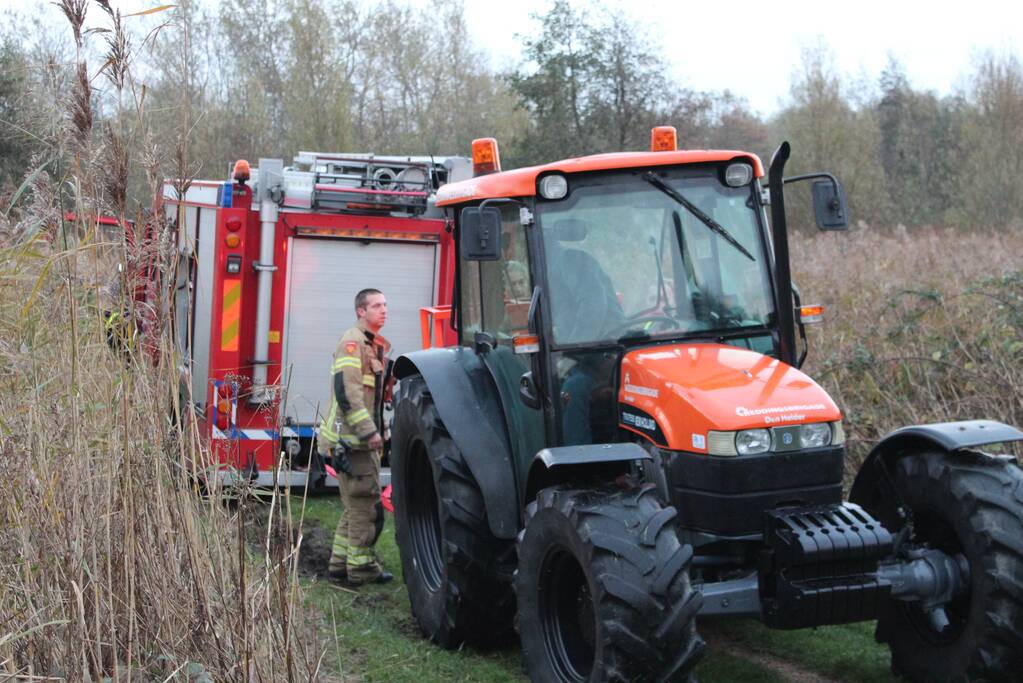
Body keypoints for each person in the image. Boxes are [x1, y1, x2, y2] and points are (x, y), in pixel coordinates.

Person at [318, 288, 394, 587]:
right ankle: (361, 570)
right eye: (376, 306)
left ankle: (338, 565)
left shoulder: (372, 345)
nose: (384, 310)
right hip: (353, 441)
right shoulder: (353, 343)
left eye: (385, 305)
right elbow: (347, 393)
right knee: (366, 506)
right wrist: (369, 432)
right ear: (361, 311)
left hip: (353, 441)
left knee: (353, 506)